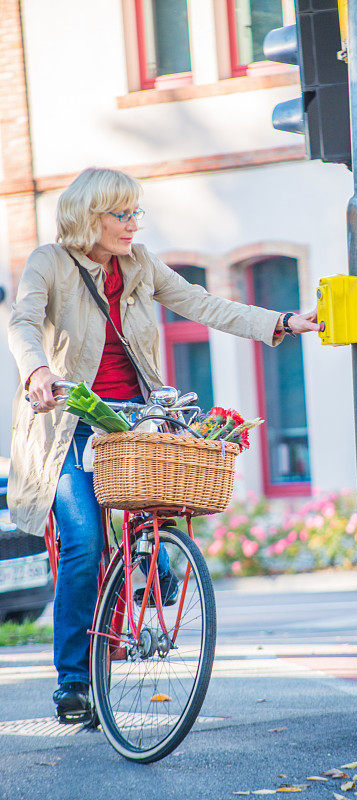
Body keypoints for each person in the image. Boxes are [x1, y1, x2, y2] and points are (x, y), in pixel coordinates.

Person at [7, 167, 319, 721]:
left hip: (136, 419)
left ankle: (152, 556)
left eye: (135, 213)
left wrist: (286, 321)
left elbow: (201, 304)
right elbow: (23, 322)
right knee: (82, 541)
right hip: (71, 421)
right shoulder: (48, 263)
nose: (132, 224)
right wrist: (37, 374)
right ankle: (74, 682)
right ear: (89, 218)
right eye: (121, 214)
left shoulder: (139, 263)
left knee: (163, 499)